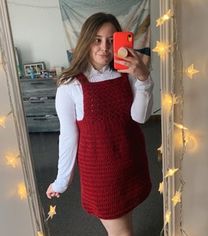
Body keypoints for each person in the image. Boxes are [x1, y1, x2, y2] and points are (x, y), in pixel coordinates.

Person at [46, 12, 154, 236]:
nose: (104, 47)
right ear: (86, 40)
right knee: (122, 233)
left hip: (131, 160)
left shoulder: (128, 73)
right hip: (103, 172)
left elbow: (139, 117)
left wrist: (144, 79)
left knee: (125, 222)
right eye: (97, 39)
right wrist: (61, 181)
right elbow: (68, 136)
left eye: (111, 40)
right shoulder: (71, 85)